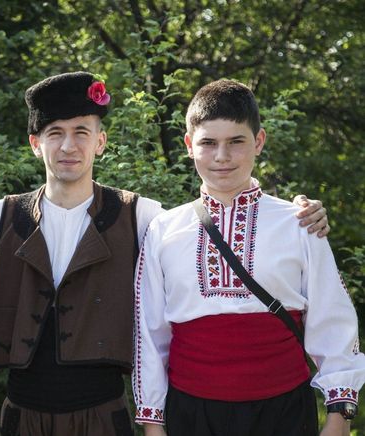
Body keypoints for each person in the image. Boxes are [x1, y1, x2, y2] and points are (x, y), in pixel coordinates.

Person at [0, 72, 331, 436]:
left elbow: (213, 222)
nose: (69, 146)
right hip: (24, 418)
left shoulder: (143, 217)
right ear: (35, 143)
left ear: (100, 142)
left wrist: (299, 214)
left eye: (81, 132)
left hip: (104, 417)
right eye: (55, 133)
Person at [132, 79, 365, 436]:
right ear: (189, 147)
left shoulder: (300, 223)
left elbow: (332, 321)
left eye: (236, 142)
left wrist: (338, 419)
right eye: (208, 143)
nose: (221, 156)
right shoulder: (163, 229)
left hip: (283, 412)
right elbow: (150, 333)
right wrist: (153, 424)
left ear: (258, 141)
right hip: (192, 414)